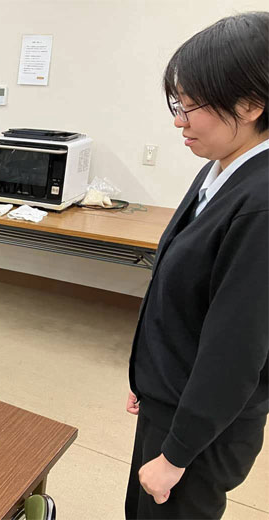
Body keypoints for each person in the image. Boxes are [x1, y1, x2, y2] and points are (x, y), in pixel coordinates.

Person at [125, 11, 268, 519]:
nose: (178, 121)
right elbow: (185, 294)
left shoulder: (260, 203)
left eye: (190, 106)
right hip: (173, 398)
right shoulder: (222, 167)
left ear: (250, 105)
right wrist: (147, 375)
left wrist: (177, 453)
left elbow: (237, 348)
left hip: (202, 431)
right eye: (176, 104)